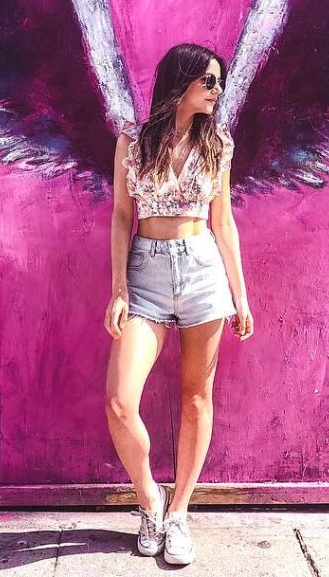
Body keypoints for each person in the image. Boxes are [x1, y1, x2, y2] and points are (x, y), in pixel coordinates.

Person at [104, 42, 255, 565]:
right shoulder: (133, 142)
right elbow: (123, 217)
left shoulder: (219, 145)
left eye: (219, 82)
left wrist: (240, 295)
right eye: (207, 81)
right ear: (180, 82)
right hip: (145, 270)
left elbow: (224, 223)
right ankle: (151, 499)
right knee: (121, 400)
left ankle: (180, 513)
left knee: (197, 397)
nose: (216, 91)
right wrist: (119, 288)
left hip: (201, 271)